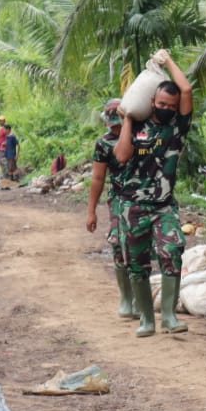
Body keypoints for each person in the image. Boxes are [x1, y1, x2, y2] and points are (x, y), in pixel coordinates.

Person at [113, 51, 193, 337]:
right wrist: (127, 121)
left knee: (172, 251)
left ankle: (169, 317)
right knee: (137, 264)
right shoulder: (136, 125)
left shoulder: (177, 128)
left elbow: (185, 89)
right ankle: (147, 319)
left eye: (171, 105)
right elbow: (122, 157)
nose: (166, 108)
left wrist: (168, 60)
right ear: (151, 103)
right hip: (132, 206)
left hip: (163, 205)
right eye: (161, 104)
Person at [86, 99, 137, 320]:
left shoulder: (142, 136)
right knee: (118, 243)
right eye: (113, 124)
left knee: (140, 248)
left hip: (145, 198)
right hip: (119, 198)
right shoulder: (104, 144)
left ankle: (139, 297)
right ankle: (126, 298)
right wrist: (91, 211)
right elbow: (98, 178)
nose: (116, 128)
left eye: (119, 122)